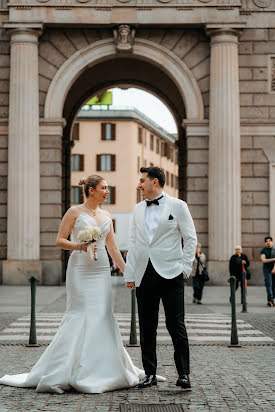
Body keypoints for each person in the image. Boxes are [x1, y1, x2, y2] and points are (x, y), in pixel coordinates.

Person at [0, 175, 154, 393]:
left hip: (101, 271)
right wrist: (80, 247)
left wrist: (128, 273)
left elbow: (113, 249)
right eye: (104, 188)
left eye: (107, 188)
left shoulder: (107, 215)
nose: (107, 191)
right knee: (79, 313)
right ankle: (66, 368)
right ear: (91, 190)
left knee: (102, 315)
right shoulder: (74, 212)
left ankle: (103, 369)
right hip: (80, 270)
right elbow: (59, 240)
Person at [124, 167, 197, 390]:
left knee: (176, 324)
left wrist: (184, 267)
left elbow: (190, 237)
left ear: (154, 182)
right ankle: (150, 374)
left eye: (142, 181)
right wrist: (130, 273)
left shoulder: (178, 206)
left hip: (171, 272)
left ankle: (183, 374)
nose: (139, 185)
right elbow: (134, 242)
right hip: (144, 273)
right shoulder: (137, 209)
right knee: (147, 325)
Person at [260, 236, 275, 307]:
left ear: (272, 241)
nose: (268, 242)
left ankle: (271, 299)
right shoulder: (263, 250)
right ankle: (270, 300)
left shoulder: (274, 249)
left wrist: (274, 269)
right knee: (268, 285)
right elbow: (263, 260)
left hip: (274, 269)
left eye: (269, 241)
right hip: (266, 269)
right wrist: (274, 259)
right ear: (265, 243)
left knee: (273, 286)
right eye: (267, 241)